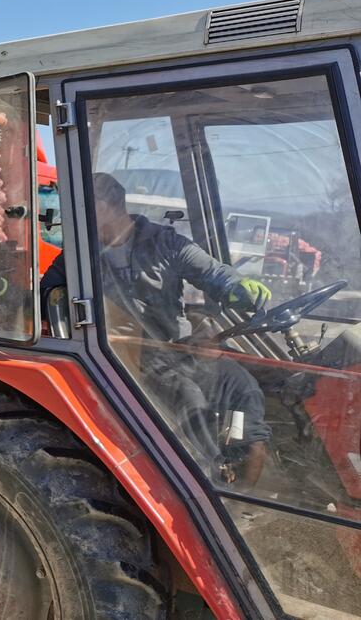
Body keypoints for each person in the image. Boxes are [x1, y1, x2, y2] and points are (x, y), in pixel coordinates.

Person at [41, 173, 273, 485]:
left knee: (242, 385)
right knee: (188, 398)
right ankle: (202, 486)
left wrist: (237, 287)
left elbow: (212, 273)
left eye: (81, 207)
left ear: (102, 206)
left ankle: (246, 481)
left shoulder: (165, 242)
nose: (74, 217)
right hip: (119, 356)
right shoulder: (79, 254)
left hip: (178, 347)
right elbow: (48, 292)